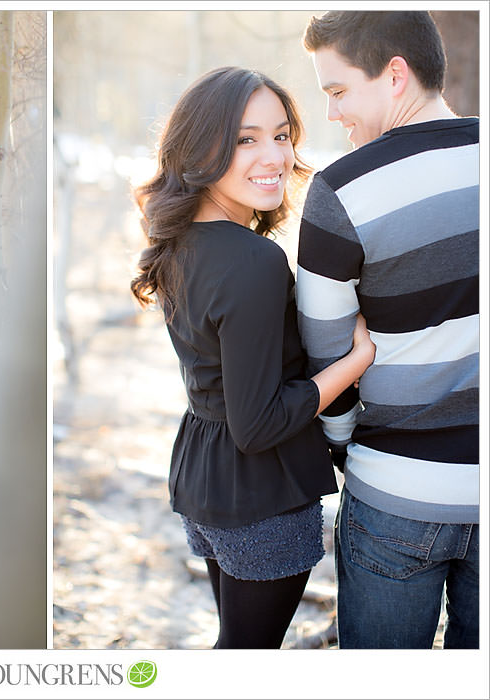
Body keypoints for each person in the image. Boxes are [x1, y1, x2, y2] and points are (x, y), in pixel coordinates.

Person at [130, 66, 376, 649]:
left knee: (234, 647)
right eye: (246, 138)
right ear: (200, 148)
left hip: (205, 481)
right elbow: (258, 422)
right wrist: (356, 360)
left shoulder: (180, 242)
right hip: (262, 494)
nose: (274, 156)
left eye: (283, 135)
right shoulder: (252, 262)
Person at [297, 11, 478, 648]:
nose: (331, 114)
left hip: (395, 492)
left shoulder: (340, 192)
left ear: (394, 75)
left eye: (338, 91)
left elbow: (328, 358)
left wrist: (346, 441)